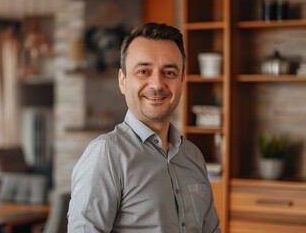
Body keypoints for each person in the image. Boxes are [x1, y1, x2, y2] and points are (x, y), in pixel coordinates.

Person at [67, 22, 220, 233]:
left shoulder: (193, 156)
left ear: (182, 82)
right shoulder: (106, 156)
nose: (157, 84)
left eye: (169, 72)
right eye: (144, 71)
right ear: (122, 80)